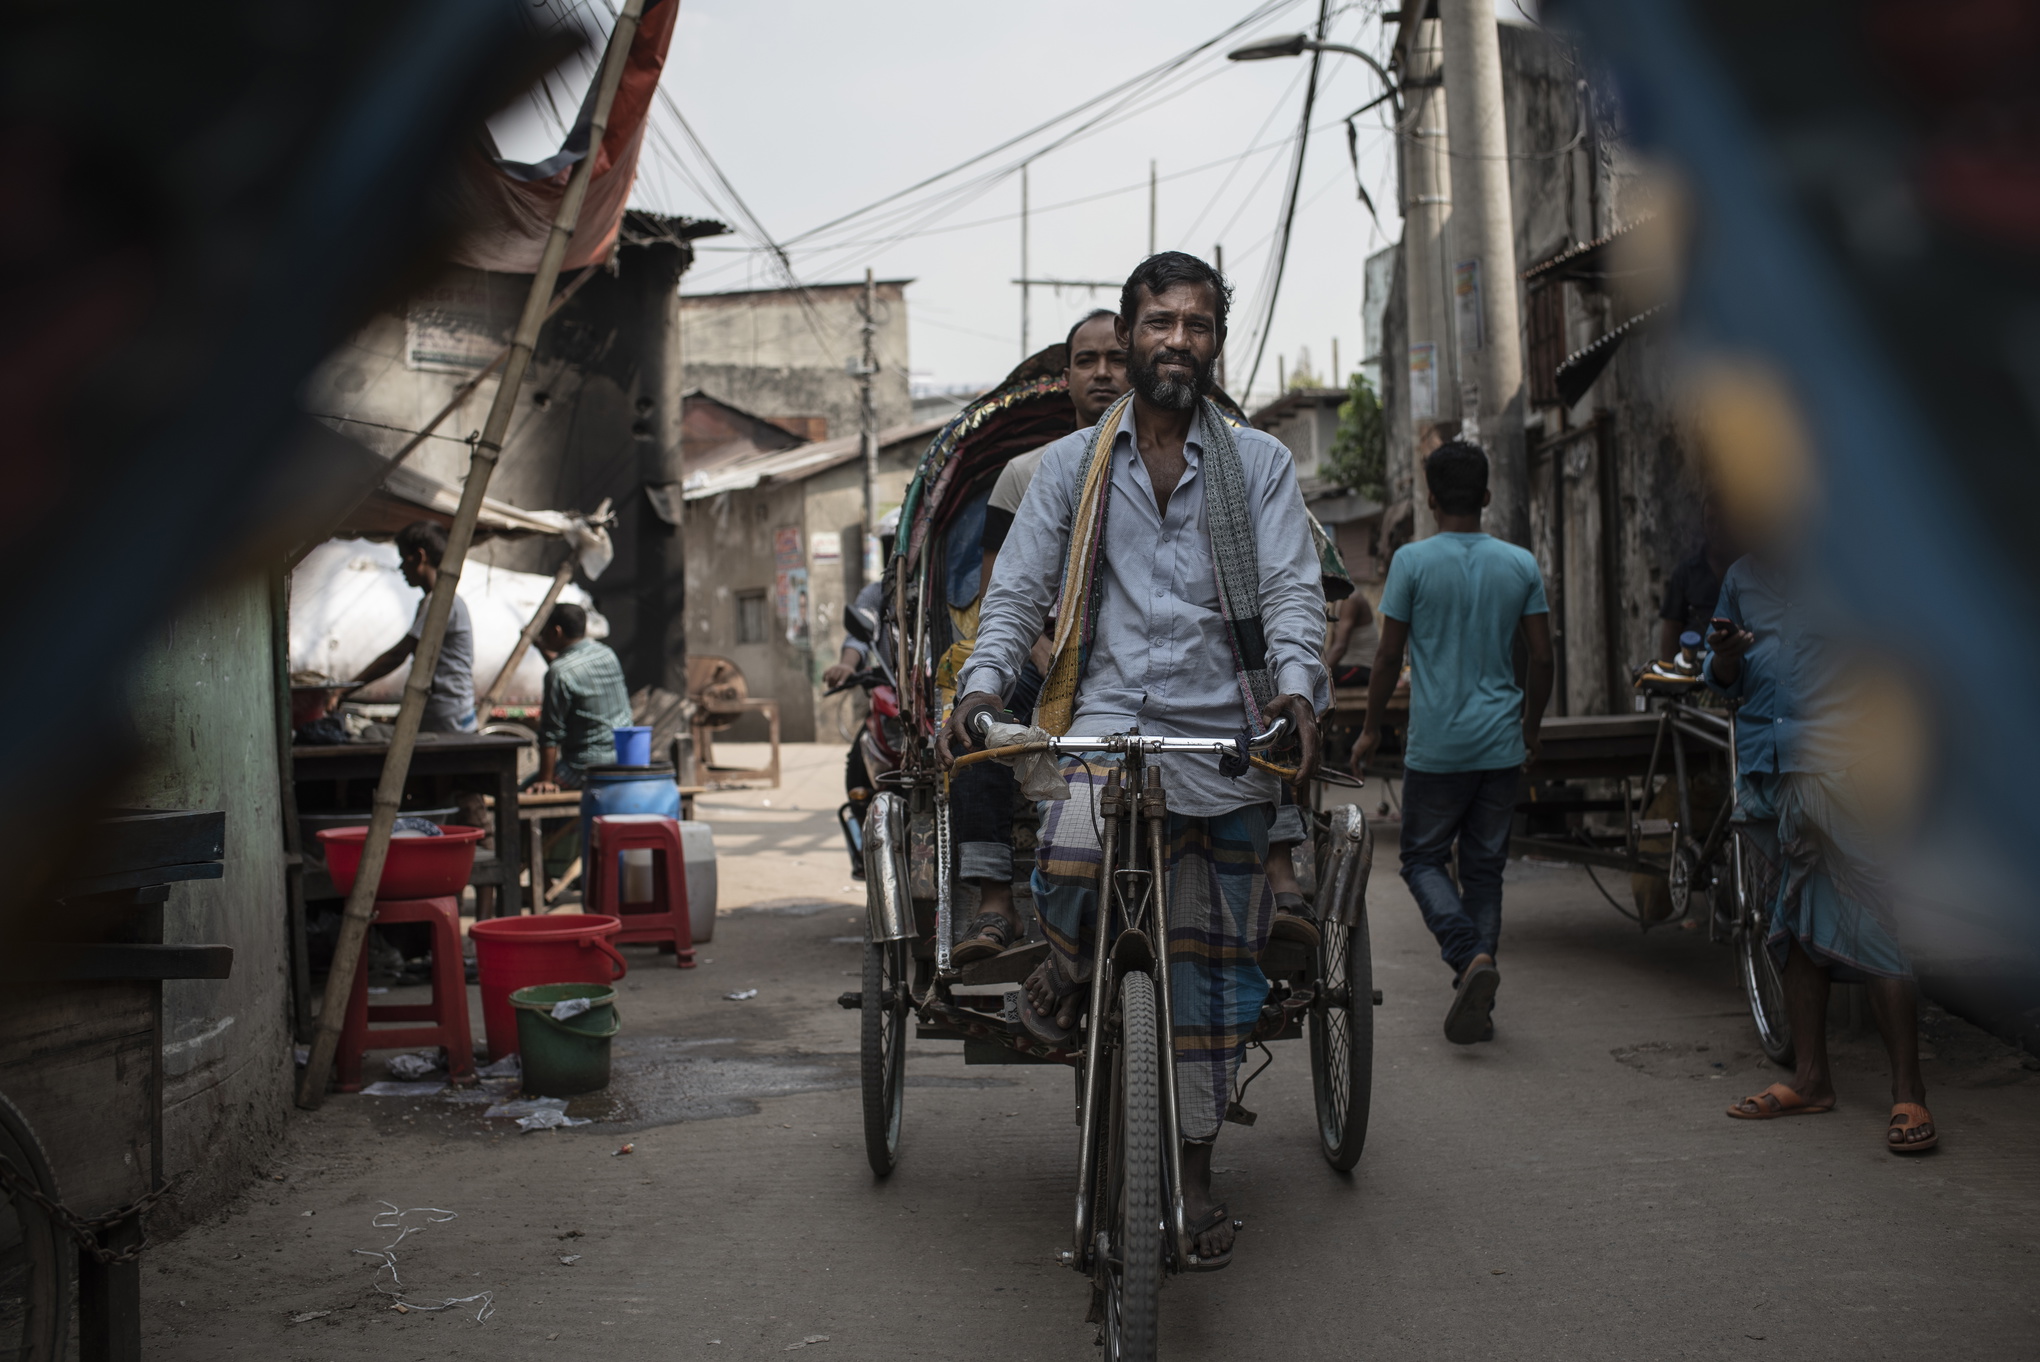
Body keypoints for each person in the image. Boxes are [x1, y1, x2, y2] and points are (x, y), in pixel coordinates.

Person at [945, 252, 1325, 1263]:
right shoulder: (1071, 467)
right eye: (1160, 323)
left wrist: (1296, 687)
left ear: (1215, 345)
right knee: (1067, 871)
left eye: (1196, 327)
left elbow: (1293, 593)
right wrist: (982, 686)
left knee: (1208, 973)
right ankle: (1065, 973)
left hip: (1224, 737)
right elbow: (1017, 592)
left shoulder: (1260, 466)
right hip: (1101, 736)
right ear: (1132, 330)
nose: (1176, 342)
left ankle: (1194, 1185)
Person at [1708, 557, 1935, 1152]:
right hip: (1768, 768)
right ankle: (1810, 1079)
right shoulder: (1741, 578)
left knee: (1876, 921)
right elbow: (1719, 676)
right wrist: (1726, 659)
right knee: (1790, 920)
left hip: (1845, 771)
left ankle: (1909, 1091)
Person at [1350, 441, 1554, 1045]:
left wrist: (1369, 729)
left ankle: (1468, 960)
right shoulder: (1520, 564)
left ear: (1432, 500)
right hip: (1500, 745)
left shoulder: (1411, 564)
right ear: (1487, 497)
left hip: (1437, 746)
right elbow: (1542, 656)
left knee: (1420, 860)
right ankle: (1478, 992)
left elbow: (1388, 656)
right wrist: (1532, 729)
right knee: (1485, 871)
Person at [947, 309, 1131, 964]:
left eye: (1116, 358)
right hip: (1048, 653)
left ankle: (1279, 876)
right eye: (1088, 361)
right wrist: (1047, 655)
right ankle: (995, 904)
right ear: (1067, 377)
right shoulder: (1026, 473)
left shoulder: (1177, 465)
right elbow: (1006, 593)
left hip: (1144, 661)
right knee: (976, 724)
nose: (1104, 374)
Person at [351, 521, 478, 733]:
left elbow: (398, 654)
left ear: (420, 557)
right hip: (447, 712)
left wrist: (346, 689)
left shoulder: (442, 602)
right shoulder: (435, 601)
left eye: (404, 559)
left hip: (447, 717)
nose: (401, 567)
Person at [526, 602, 632, 793]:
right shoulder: (606, 654)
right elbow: (570, 674)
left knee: (519, 793)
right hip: (621, 756)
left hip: (583, 767)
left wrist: (545, 780)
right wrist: (541, 648)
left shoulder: (559, 673)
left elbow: (550, 735)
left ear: (556, 632)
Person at [1658, 496, 1736, 662]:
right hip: (1695, 670)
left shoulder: (1748, 570)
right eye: (1711, 521)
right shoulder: (1685, 573)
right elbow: (1672, 629)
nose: (1717, 528)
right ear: (1703, 525)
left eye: (1724, 521)